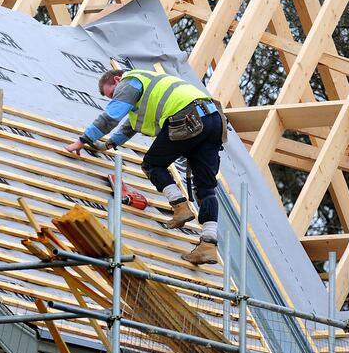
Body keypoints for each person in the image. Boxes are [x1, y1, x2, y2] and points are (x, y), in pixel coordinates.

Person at [64, 68, 227, 265]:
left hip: (188, 117)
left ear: (117, 79)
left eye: (112, 94)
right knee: (206, 189)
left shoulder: (131, 81)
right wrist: (109, 144)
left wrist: (83, 140)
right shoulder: (150, 87)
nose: (114, 99)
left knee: (152, 164)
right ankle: (208, 246)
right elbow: (131, 125)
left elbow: (111, 116)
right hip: (214, 118)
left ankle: (180, 207)